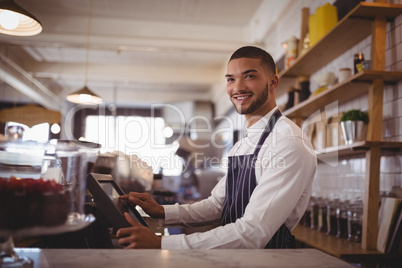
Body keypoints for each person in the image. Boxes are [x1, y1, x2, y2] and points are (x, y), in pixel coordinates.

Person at [116, 46, 317, 249]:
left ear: (273, 82)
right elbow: (217, 205)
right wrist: (162, 211)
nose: (238, 87)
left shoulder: (288, 142)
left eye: (249, 76)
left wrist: (162, 244)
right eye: (231, 79)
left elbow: (253, 233)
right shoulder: (244, 144)